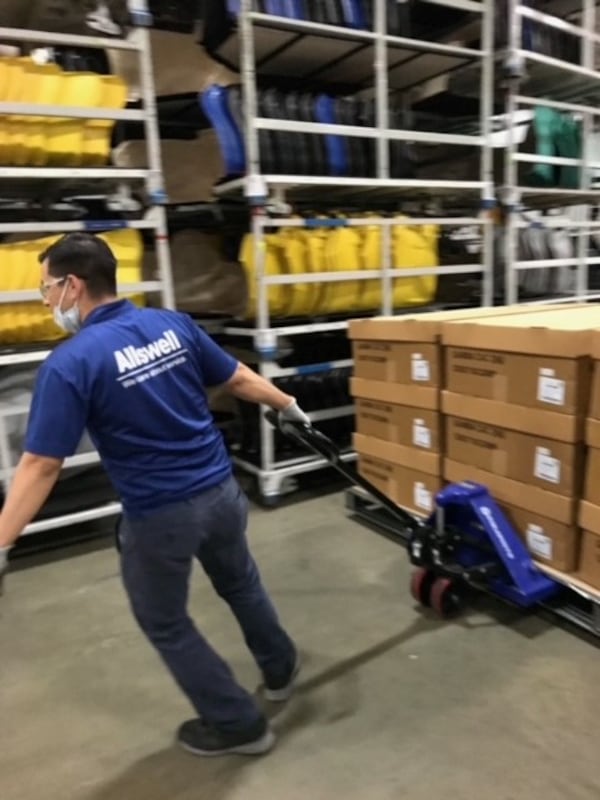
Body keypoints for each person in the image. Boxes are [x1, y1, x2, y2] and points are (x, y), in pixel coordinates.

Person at [0, 232, 310, 757]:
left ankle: (239, 726)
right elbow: (236, 376)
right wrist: (287, 405)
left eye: (48, 289)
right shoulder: (172, 324)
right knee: (239, 581)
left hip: (162, 515)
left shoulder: (69, 363)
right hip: (220, 490)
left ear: (73, 286)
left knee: (164, 620)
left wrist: (3, 540)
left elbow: (41, 464)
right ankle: (279, 667)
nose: (48, 302)